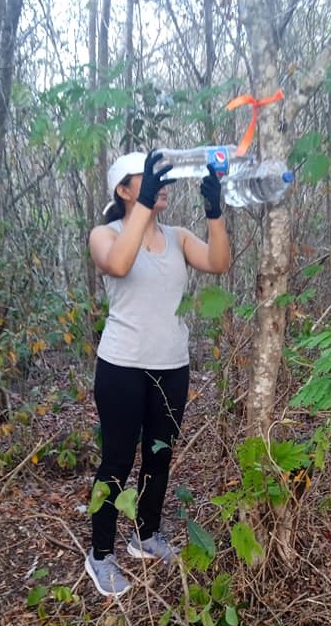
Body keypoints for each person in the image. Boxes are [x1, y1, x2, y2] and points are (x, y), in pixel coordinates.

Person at [84, 150, 231, 596]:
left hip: (172, 366)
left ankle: (145, 536)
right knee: (116, 460)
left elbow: (220, 263)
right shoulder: (103, 234)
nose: (159, 184)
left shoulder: (179, 236)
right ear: (124, 190)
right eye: (146, 180)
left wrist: (215, 211)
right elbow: (120, 264)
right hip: (122, 366)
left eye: (160, 180)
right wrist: (144, 206)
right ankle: (101, 554)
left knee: (158, 455)